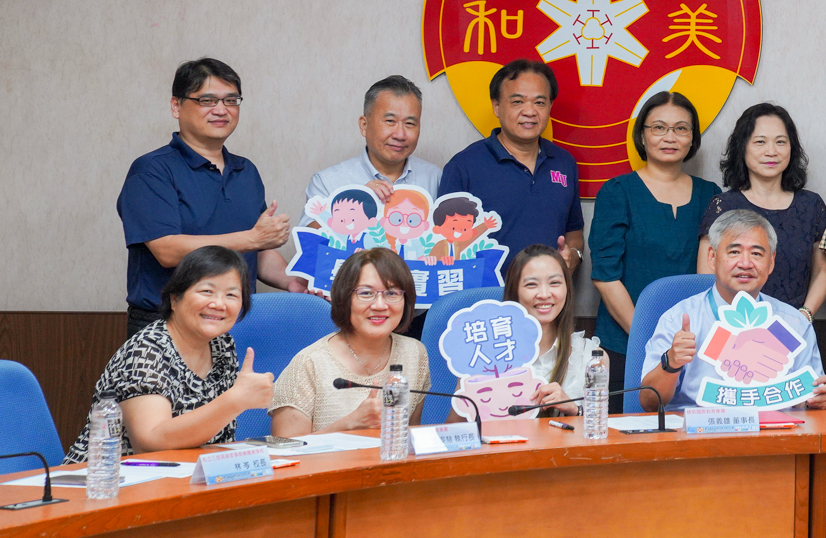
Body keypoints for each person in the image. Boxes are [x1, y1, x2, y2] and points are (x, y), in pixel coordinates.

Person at [117, 57, 296, 335]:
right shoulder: (152, 170)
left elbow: (258, 252)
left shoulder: (246, 170)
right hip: (167, 324)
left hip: (236, 321)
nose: (221, 110)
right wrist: (252, 238)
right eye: (207, 100)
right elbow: (166, 250)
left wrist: (291, 282)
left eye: (231, 100)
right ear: (176, 106)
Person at [68, 246, 274, 459]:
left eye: (231, 295)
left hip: (190, 472)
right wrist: (235, 400)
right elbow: (150, 444)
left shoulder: (222, 345)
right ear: (174, 299)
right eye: (207, 291)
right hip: (106, 474)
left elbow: (219, 437)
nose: (219, 304)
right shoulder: (146, 350)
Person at [638, 209, 826, 410]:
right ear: (712, 257)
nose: (746, 264)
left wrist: (816, 400)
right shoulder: (680, 320)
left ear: (771, 262)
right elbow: (649, 402)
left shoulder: (792, 323)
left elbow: (810, 399)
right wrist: (671, 363)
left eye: (756, 254)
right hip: (698, 427)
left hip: (775, 428)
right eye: (734, 252)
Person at [590, 91, 719, 388]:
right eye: (659, 127)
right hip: (625, 343)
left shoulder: (711, 195)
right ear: (642, 135)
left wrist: (684, 341)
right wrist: (649, 340)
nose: (670, 137)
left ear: (692, 138)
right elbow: (605, 277)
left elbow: (711, 276)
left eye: (681, 128)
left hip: (692, 345)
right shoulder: (617, 191)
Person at [436, 59, 584, 276]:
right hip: (486, 294)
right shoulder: (464, 166)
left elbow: (574, 231)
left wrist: (574, 256)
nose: (530, 111)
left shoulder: (565, 163)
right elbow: (442, 241)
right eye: (517, 102)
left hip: (548, 293)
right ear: (496, 106)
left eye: (539, 102)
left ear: (550, 106)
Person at [270, 247, 429, 436]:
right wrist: (350, 424)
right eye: (366, 293)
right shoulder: (309, 363)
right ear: (344, 299)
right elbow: (286, 450)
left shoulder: (414, 353)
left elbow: (408, 439)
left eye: (392, 293)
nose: (380, 305)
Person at [699, 103, 826, 312]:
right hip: (732, 323)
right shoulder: (723, 206)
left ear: (791, 148)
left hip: (794, 324)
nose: (772, 151)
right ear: (742, 147)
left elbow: (822, 271)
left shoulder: (811, 205)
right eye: (760, 142)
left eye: (781, 142)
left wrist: (804, 315)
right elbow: (706, 276)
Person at [303, 75, 440, 213]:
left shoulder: (436, 179)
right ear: (364, 125)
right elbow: (312, 227)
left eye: (409, 123)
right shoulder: (327, 183)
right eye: (390, 121)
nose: (400, 135)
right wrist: (355, 202)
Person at [505, 243, 600, 414]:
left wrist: (574, 409)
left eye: (554, 283)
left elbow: (599, 426)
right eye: (531, 284)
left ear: (567, 289)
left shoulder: (592, 358)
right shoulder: (486, 355)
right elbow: (458, 425)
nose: (544, 294)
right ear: (515, 291)